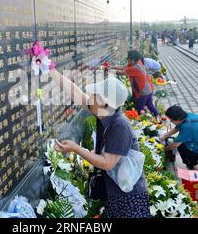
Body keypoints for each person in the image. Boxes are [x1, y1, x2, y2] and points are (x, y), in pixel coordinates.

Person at [49, 70, 151, 218]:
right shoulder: (103, 112)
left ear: (102, 101)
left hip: (128, 197)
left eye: (93, 94)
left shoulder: (119, 125)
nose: (89, 97)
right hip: (114, 190)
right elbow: (75, 93)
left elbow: (107, 163)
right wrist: (48, 68)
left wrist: (76, 148)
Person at [109, 50, 159, 117]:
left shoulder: (135, 68)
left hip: (143, 92)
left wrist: (108, 70)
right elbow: (124, 67)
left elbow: (121, 73)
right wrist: (112, 67)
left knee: (139, 109)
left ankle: (142, 123)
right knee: (150, 105)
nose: (127, 59)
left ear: (131, 59)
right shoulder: (138, 62)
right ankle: (158, 118)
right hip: (149, 89)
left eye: (128, 58)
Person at [159, 105, 198, 170]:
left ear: (178, 119)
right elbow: (177, 128)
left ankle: (192, 162)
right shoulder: (187, 116)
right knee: (178, 141)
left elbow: (175, 145)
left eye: (171, 120)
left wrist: (163, 149)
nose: (171, 122)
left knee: (181, 146)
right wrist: (165, 135)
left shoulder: (187, 127)